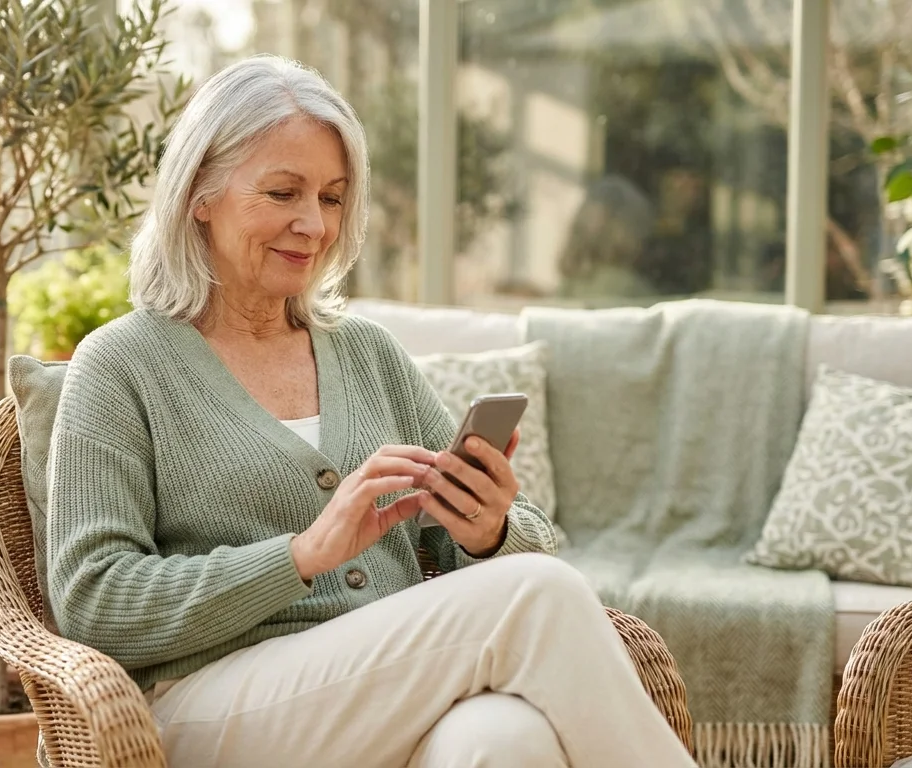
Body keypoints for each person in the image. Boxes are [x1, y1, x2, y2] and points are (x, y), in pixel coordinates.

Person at [41, 55, 697, 768]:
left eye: (331, 197)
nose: (313, 224)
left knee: (508, 743)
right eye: (284, 192)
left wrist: (488, 531)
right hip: (206, 704)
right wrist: (302, 555)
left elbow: (523, 545)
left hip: (381, 689)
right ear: (200, 193)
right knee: (539, 596)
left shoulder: (365, 353)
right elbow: (93, 600)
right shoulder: (120, 364)